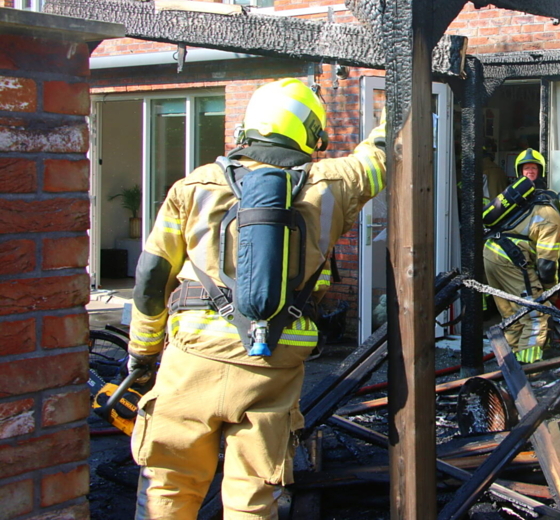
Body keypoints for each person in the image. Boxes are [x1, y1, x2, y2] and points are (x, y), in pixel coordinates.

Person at [127, 78, 386, 519]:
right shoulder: (332, 184)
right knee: (253, 501)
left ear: (248, 126)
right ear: (309, 132)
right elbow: (380, 156)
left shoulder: (194, 187)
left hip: (192, 360)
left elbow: (152, 278)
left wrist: (142, 353)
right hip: (273, 367)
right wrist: (397, 98)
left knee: (168, 490)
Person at [482, 148, 560, 363]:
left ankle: (509, 363)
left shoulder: (519, 201)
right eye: (527, 168)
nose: (530, 172)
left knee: (512, 315)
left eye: (533, 168)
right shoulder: (550, 215)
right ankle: (530, 368)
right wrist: (548, 292)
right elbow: (546, 264)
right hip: (511, 260)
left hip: (491, 253)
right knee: (534, 313)